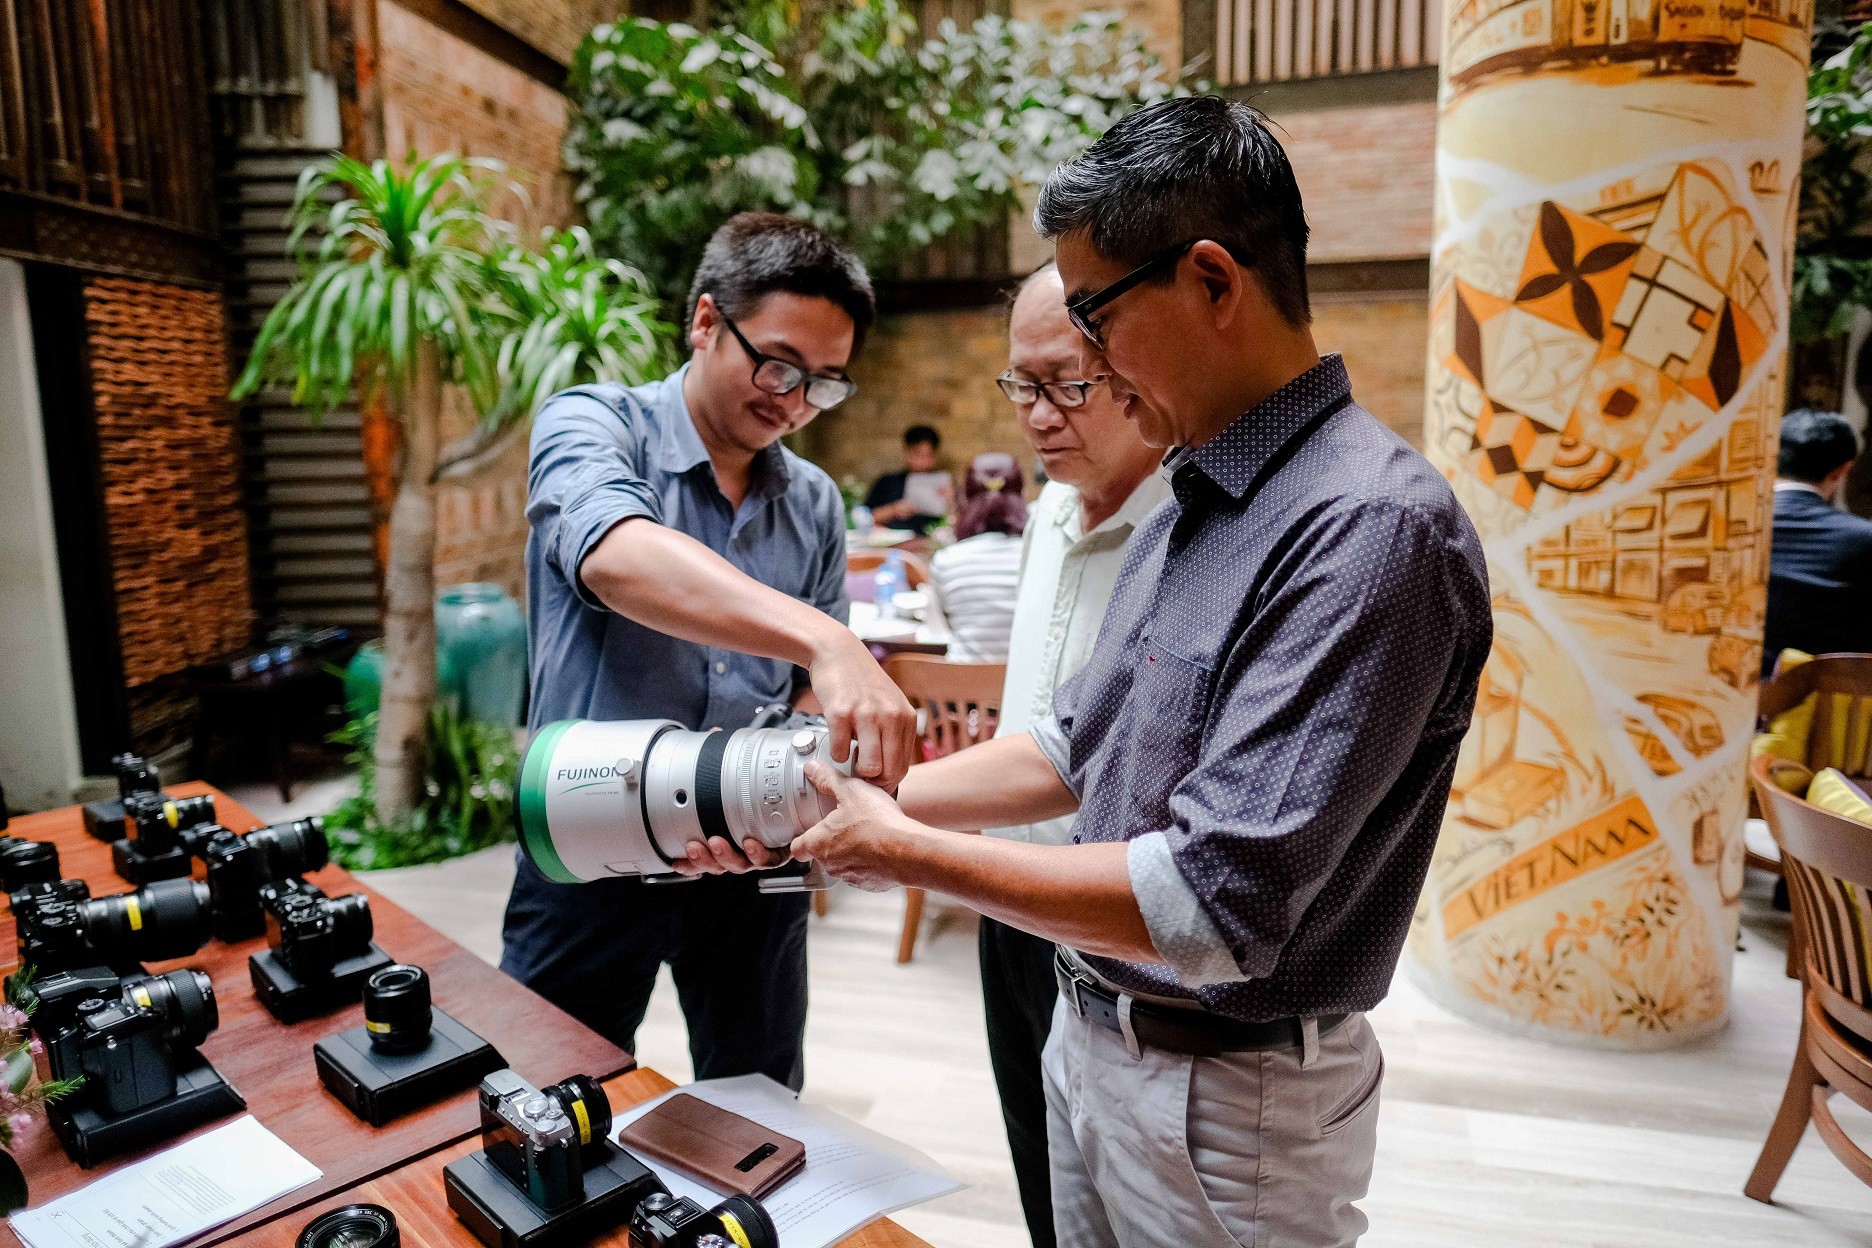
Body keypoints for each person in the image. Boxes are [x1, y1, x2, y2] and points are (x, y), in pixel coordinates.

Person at [680, 98, 1493, 1245]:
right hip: (1091, 1026)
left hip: (1229, 1096)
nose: (1092, 370)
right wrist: (821, 798)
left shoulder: (1367, 528)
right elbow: (1073, 747)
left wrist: (901, 850)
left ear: (1212, 282)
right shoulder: (1194, 501)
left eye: (1098, 319)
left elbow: (1212, 906)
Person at [501, 212, 918, 1092]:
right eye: (777, 364)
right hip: (589, 836)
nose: (793, 401)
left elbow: (806, 696)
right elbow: (615, 556)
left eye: (823, 384)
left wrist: (786, 799)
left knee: (761, 1100)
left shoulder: (812, 501)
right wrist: (826, 637)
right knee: (550, 1097)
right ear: (704, 320)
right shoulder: (594, 423)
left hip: (752, 853)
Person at [977, 261, 1170, 1248]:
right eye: (1022, 384)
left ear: (1133, 369)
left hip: (1110, 927)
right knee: (1038, 1174)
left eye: (1066, 384)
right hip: (1002, 895)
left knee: (1121, 1193)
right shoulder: (1048, 511)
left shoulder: (1188, 529)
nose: (1038, 416)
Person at [1763, 408, 1872, 673]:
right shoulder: (1863, 539)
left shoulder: (1739, 528)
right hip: (1820, 697)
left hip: (1720, 693)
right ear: (1842, 471)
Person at [925, 453, 1029, 662]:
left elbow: (945, 627)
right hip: (1026, 680)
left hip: (959, 680)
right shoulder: (1040, 557)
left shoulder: (946, 561)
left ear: (964, 498)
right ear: (1022, 495)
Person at [864, 425, 954, 534]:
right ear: (906, 452)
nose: (922, 461)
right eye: (917, 454)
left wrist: (951, 503)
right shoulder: (888, 482)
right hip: (892, 539)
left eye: (928, 455)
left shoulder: (943, 485)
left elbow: (955, 523)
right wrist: (893, 510)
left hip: (929, 539)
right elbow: (864, 518)